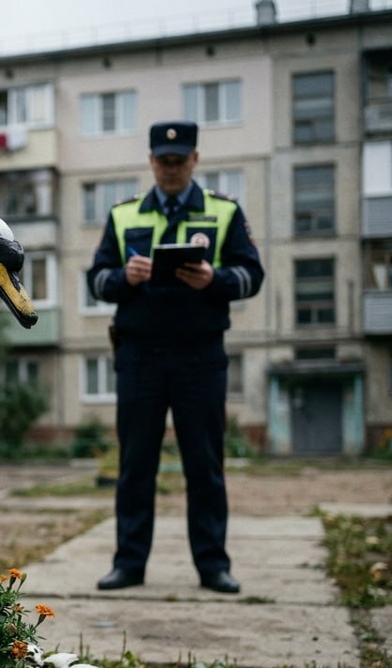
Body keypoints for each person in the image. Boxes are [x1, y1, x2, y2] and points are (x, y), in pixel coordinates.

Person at [86, 120, 264, 594]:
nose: (171, 169)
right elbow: (96, 280)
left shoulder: (223, 212)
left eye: (179, 160)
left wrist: (216, 280)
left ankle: (213, 566)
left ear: (195, 160)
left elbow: (253, 274)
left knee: (204, 464)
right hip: (139, 358)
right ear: (150, 162)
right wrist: (126, 276)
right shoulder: (124, 215)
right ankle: (128, 565)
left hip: (200, 358)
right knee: (135, 464)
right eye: (163, 161)